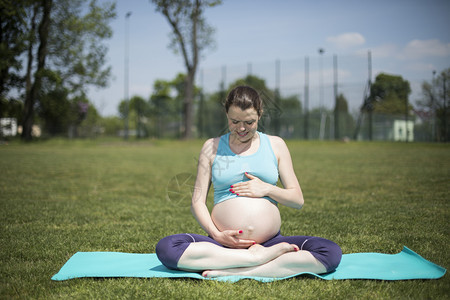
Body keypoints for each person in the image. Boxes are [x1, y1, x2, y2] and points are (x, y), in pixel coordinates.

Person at [156, 85, 342, 278]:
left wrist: (267, 189)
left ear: (260, 114)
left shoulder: (276, 145)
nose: (242, 128)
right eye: (234, 121)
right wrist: (216, 234)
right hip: (223, 244)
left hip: (269, 242)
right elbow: (197, 202)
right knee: (167, 248)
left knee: (329, 252)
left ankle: (236, 268)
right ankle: (256, 260)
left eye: (249, 122)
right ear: (226, 115)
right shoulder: (211, 147)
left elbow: (297, 200)